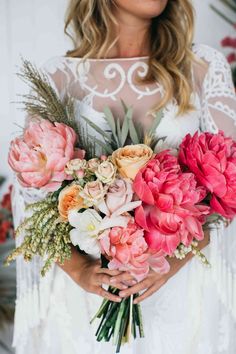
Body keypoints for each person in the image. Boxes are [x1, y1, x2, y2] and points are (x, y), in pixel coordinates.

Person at [11, 1, 236, 353]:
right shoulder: (60, 76)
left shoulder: (202, 67)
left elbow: (231, 186)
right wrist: (80, 271)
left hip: (183, 299)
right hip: (86, 307)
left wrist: (171, 262)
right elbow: (32, 198)